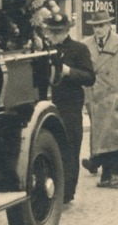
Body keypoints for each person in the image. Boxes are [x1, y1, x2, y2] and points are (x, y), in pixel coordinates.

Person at [81, 5, 118, 189]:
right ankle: (106, 174)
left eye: (101, 25)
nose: (98, 29)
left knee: (115, 137)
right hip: (95, 99)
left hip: (115, 97)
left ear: (109, 25)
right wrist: (86, 97)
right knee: (101, 138)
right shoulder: (86, 44)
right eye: (95, 26)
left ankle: (114, 174)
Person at [40, 13, 96, 203]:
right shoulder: (43, 49)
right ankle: (50, 187)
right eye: (51, 32)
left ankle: (67, 192)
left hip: (69, 107)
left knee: (70, 149)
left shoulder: (79, 49)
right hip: (47, 105)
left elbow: (89, 77)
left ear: (66, 31)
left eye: (58, 32)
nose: (54, 36)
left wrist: (68, 71)